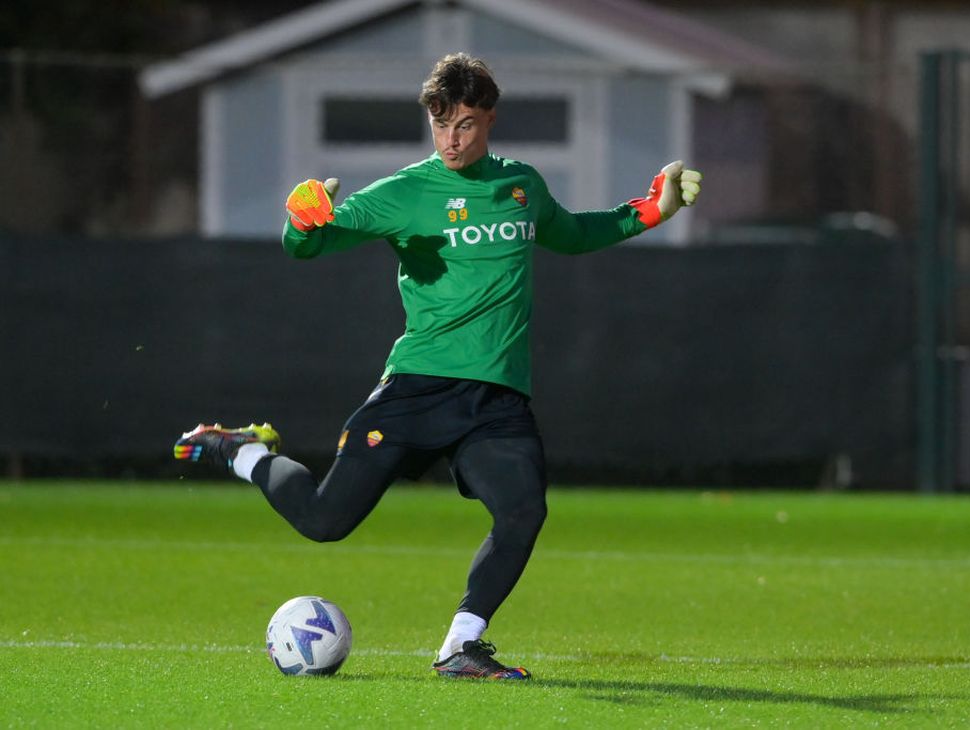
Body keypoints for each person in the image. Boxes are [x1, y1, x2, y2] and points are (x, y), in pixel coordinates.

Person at [174, 52, 702, 680]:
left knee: (523, 510)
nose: (453, 139)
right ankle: (243, 452)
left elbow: (575, 232)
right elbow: (310, 245)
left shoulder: (521, 186)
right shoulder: (406, 192)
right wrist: (301, 219)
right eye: (442, 123)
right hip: (418, 388)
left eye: (467, 124)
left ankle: (461, 645)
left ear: (490, 121)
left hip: (495, 400)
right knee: (323, 521)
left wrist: (654, 209)